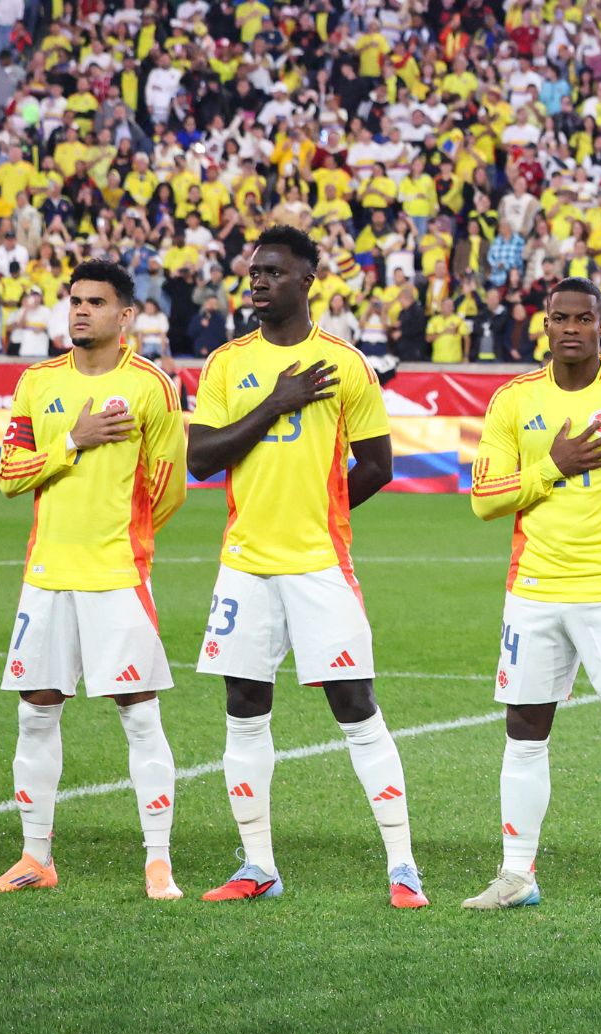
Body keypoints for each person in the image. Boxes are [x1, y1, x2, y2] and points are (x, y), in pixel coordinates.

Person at [185, 226, 424, 908]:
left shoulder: (346, 364)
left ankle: (403, 866)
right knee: (243, 706)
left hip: (319, 563)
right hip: (245, 564)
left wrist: (323, 512)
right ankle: (257, 865)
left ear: (306, 280)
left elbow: (378, 465)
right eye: (253, 271)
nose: (257, 281)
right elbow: (203, 458)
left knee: (354, 704)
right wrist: (276, 403)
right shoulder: (228, 364)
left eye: (273, 272)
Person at [461, 277, 601, 914]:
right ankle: (516, 874)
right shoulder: (513, 400)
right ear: (544, 324)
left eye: (582, 319)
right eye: (559, 318)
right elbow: (485, 498)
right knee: (524, 731)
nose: (570, 329)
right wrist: (553, 466)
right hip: (532, 590)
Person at [0, 260, 187, 899]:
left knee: (137, 712)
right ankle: (34, 857)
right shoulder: (37, 381)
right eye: (74, 301)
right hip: (47, 577)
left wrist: (120, 538)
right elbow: (11, 475)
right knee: (37, 714)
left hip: (115, 575)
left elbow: (168, 489)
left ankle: (158, 860)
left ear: (125, 315)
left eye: (96, 303)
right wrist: (71, 443)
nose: (80, 312)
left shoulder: (152, 386)